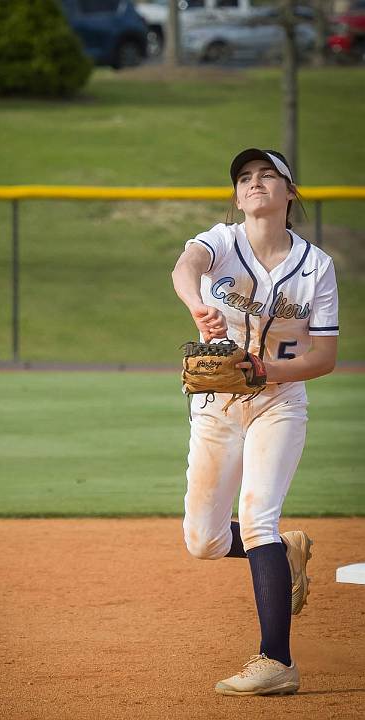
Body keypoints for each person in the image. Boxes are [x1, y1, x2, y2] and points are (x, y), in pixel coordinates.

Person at [171, 148, 339, 696]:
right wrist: (198, 304)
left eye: (268, 175)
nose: (254, 183)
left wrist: (267, 369)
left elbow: (323, 357)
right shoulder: (222, 241)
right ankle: (285, 552)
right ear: (237, 195)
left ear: (290, 194)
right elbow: (185, 266)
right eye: (245, 177)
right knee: (203, 541)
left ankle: (276, 661)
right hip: (217, 403)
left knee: (258, 515)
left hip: (279, 401)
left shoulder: (315, 266)